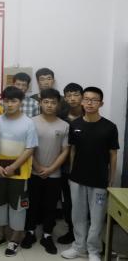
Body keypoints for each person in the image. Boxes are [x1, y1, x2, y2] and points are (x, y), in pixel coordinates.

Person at [61, 87, 119, 261]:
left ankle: (93, 250)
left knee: (97, 217)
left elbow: (113, 154)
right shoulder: (75, 125)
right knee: (77, 215)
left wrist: (111, 179)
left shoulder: (109, 127)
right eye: (86, 99)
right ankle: (79, 247)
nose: (89, 103)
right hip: (77, 178)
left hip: (99, 179)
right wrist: (72, 173)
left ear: (101, 103)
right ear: (82, 102)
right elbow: (73, 150)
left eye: (94, 100)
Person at [0, 86, 38, 257]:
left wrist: (14, 166)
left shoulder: (28, 123)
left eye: (13, 101)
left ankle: (16, 238)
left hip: (20, 172)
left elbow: (30, 148)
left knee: (18, 206)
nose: (9, 104)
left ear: (21, 102)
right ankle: (1, 234)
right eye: (7, 100)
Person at [21, 88, 69, 254]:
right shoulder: (30, 122)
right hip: (33, 172)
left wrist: (51, 169)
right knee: (31, 204)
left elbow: (65, 151)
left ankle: (47, 235)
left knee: (50, 206)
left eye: (53, 102)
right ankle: (30, 232)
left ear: (58, 104)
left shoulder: (64, 125)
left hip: (54, 174)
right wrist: (38, 166)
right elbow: (27, 147)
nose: (49, 105)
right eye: (46, 102)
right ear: (40, 103)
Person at [57, 82, 84, 245]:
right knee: (67, 201)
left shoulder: (89, 115)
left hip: (85, 167)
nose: (72, 98)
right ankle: (71, 231)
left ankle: (87, 234)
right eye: (69, 95)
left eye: (76, 95)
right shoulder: (61, 117)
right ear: (65, 98)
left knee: (84, 203)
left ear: (82, 96)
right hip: (64, 167)